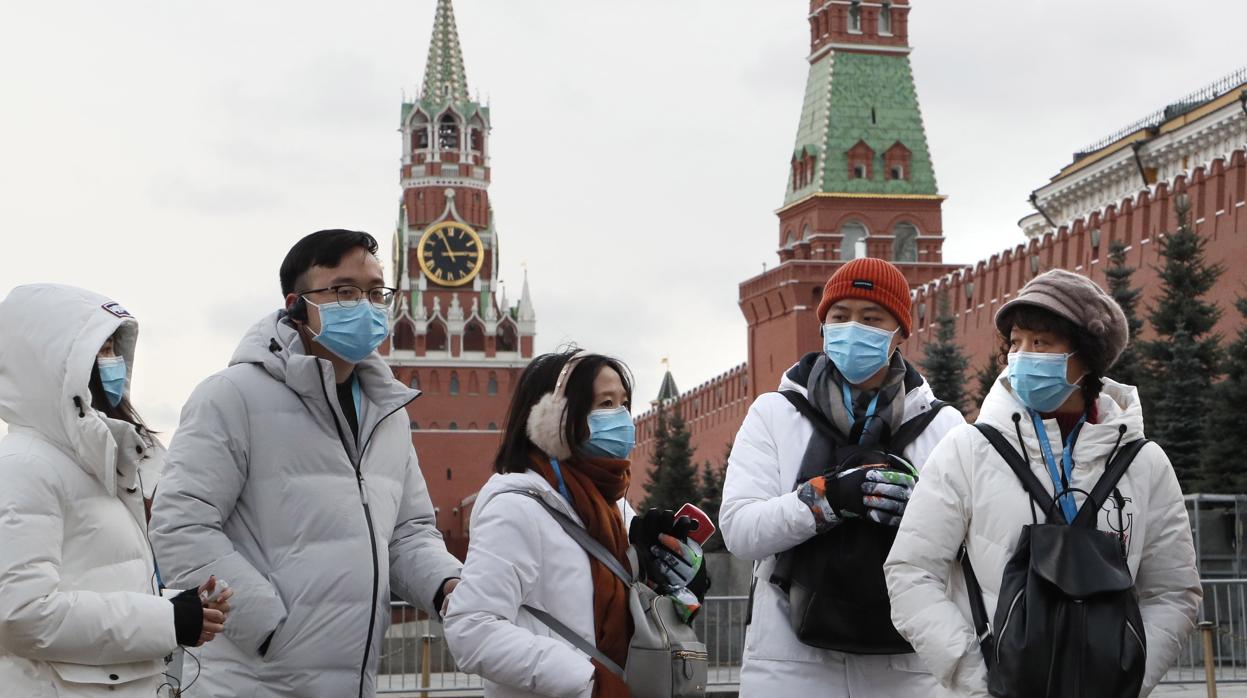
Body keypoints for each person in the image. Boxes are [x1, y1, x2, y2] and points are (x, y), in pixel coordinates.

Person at [149, 230, 463, 697]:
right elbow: (179, 526)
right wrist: (270, 629)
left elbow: (408, 532)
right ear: (296, 305)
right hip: (253, 683)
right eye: (344, 291)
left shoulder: (386, 412)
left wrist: (447, 585)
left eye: (377, 292)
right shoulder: (232, 396)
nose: (366, 305)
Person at [884, 269, 1202, 697]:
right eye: (1016, 342)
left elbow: (1174, 590)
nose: (1023, 355)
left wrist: (1128, 677)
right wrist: (976, 678)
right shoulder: (969, 449)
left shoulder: (1144, 463)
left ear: (1085, 358)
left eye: (1042, 343)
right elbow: (911, 570)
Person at [720, 258, 965, 695]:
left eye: (871, 318)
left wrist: (921, 512)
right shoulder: (775, 415)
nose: (853, 328)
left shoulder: (943, 427)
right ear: (823, 327)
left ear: (899, 332)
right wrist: (827, 498)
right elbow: (741, 531)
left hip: (908, 669)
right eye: (840, 316)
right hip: (791, 666)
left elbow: (973, 545)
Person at [0, 284, 229, 697]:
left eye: (114, 348)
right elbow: (20, 614)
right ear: (51, 363)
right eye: (100, 349)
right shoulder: (25, 466)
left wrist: (182, 605)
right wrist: (167, 621)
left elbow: (95, 579)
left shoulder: (96, 462)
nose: (114, 362)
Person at [444, 350, 707, 698]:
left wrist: (678, 584)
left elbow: (633, 618)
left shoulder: (613, 508)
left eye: (623, 403)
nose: (622, 418)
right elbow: (470, 630)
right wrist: (586, 681)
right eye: (605, 404)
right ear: (553, 420)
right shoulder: (515, 510)